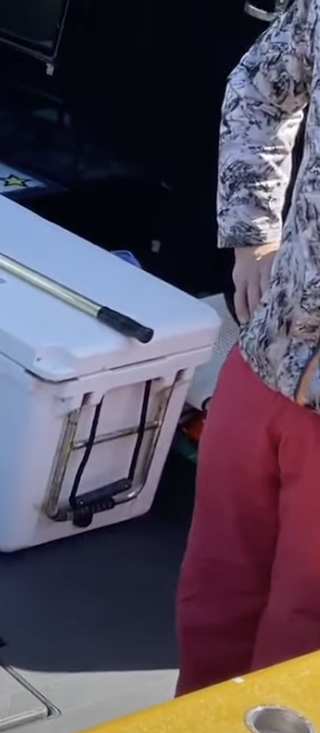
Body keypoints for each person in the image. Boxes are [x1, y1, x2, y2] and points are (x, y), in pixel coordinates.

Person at [176, 0, 320, 696]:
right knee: (213, 597)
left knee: (301, 640)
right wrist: (251, 233)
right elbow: (260, 87)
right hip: (265, 362)